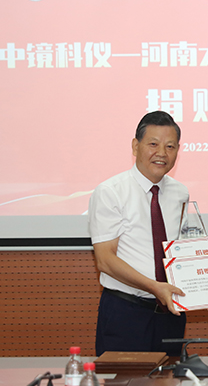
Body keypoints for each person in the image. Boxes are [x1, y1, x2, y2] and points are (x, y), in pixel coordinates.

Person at [88, 111, 189, 356]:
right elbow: (105, 260)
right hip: (126, 313)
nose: (162, 153)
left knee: (170, 375)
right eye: (153, 144)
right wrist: (155, 287)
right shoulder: (111, 191)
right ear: (135, 146)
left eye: (170, 146)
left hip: (171, 314)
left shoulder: (180, 193)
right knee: (125, 376)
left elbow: (182, 250)